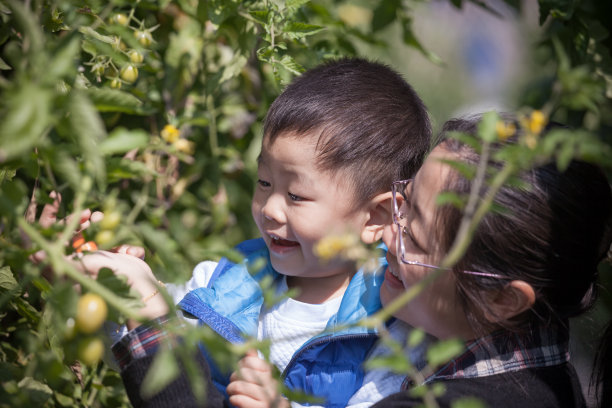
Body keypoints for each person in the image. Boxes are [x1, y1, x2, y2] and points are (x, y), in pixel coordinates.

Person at [71, 57, 432, 407]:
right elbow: (149, 359)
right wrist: (111, 292)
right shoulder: (226, 280)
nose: (271, 209)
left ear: (375, 217)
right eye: (264, 182)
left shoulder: (388, 328)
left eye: (296, 196)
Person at [369, 114, 612, 407]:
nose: (387, 234)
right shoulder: (556, 386)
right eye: (405, 200)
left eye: (414, 240)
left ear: (502, 299)